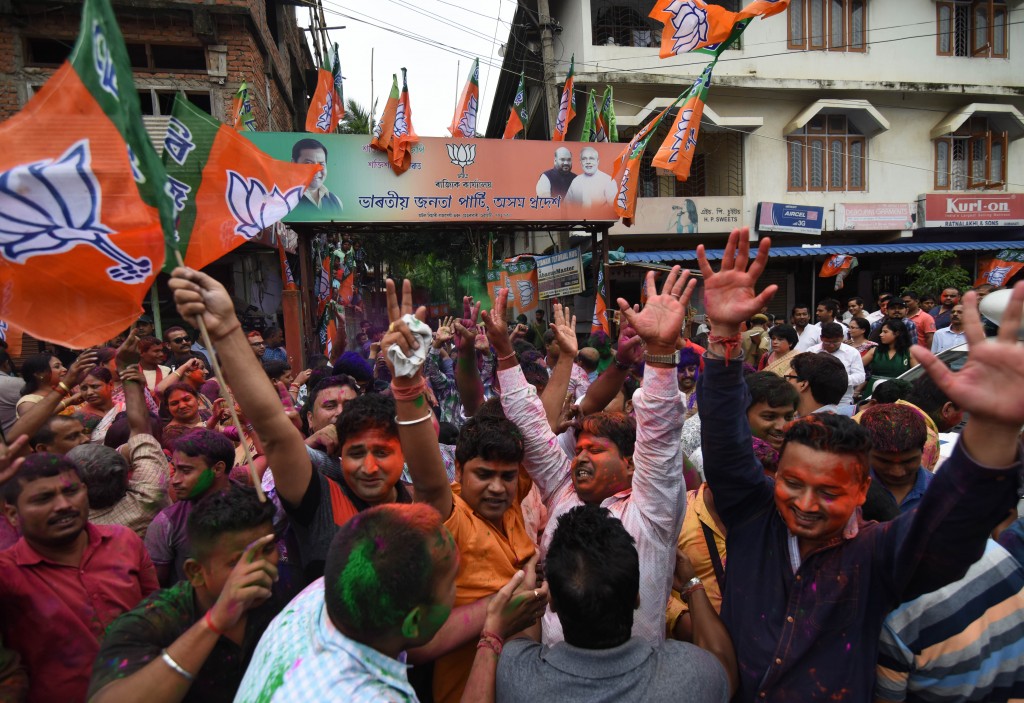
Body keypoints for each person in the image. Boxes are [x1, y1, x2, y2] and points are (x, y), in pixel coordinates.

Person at [696, 227, 1024, 702]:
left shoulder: (877, 556)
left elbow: (951, 527)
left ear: (862, 488)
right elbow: (724, 439)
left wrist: (992, 430)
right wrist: (724, 336)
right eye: (792, 483)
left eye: (829, 491)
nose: (805, 504)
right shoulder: (754, 518)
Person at [487, 263, 695, 647]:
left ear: (631, 464)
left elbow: (661, 434)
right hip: (555, 678)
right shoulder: (563, 490)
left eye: (595, 450)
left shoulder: (653, 510)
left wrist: (662, 354)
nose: (579, 458)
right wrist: (504, 353)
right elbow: (530, 428)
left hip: (638, 681)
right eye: (578, 449)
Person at [169, 267, 413, 583]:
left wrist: (409, 378)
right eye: (356, 451)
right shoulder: (321, 493)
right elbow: (274, 432)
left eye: (382, 452)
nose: (368, 466)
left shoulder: (421, 497)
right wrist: (226, 329)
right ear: (312, 421)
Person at [379, 278, 548, 703]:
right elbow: (429, 477)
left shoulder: (513, 501)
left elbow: (538, 428)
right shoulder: (450, 513)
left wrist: (506, 352)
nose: (497, 487)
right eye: (484, 474)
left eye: (507, 476)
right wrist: (407, 387)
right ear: (460, 469)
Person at [233, 503, 531, 702]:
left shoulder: (327, 592)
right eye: (454, 581)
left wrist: (495, 607)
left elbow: (414, 643)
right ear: (413, 621)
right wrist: (492, 637)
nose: (459, 588)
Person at [496, 505, 734, 702]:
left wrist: (532, 589)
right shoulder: (689, 677)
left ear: (552, 603)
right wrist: (692, 585)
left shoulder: (518, 676)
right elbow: (722, 661)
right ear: (636, 598)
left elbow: (520, 640)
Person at [88, 484, 290, 703]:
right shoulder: (155, 620)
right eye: (237, 561)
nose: (260, 568)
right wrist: (215, 622)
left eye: (267, 550)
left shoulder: (288, 596)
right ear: (196, 573)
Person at [0, 452, 158, 703]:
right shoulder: (8, 573)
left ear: (85, 491)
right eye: (43, 498)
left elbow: (156, 614)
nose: (63, 505)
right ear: (11, 514)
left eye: (71, 491)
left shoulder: (124, 541)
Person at [69, 365, 169, 538]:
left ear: (110, 385)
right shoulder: (80, 418)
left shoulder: (124, 407)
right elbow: (142, 435)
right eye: (84, 387)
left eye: (95, 386)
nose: (89, 392)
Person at [145, 429, 235, 587]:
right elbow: (156, 585)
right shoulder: (167, 523)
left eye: (186, 471)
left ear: (218, 469)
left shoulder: (256, 504)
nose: (175, 480)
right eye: (175, 469)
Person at [860, 403, 931, 513]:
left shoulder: (944, 493)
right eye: (884, 461)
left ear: (922, 450)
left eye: (908, 461)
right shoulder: (845, 487)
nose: (897, 472)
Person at [806, 322, 865, 405]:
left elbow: (860, 376)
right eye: (828, 342)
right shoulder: (811, 352)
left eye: (835, 342)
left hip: (843, 401)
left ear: (842, 338)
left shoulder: (852, 352)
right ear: (821, 338)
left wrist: (839, 379)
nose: (832, 345)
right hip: (815, 399)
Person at [290, 137, 343, 216]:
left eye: (321, 164)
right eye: (308, 164)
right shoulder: (281, 199)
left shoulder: (336, 201)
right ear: (293, 164)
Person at [864, 319, 917, 396]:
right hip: (874, 391)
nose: (881, 335)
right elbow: (857, 366)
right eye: (881, 332)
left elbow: (916, 376)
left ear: (897, 333)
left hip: (898, 392)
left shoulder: (910, 353)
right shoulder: (874, 351)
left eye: (885, 332)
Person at [785, 352, 848, 416]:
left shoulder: (806, 425)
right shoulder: (842, 423)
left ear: (803, 384)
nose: (785, 383)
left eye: (790, 377)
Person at [16, 352, 67, 418]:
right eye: (57, 367)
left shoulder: (66, 392)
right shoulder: (29, 402)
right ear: (39, 374)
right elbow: (31, 422)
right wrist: (66, 403)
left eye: (62, 365)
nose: (65, 369)